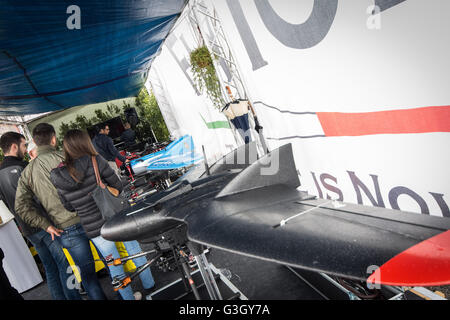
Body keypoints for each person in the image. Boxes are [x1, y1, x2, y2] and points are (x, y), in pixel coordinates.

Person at [50, 129, 155, 300]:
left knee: (113, 264)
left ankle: (128, 298)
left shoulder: (58, 175)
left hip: (93, 228)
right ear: (85, 142)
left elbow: (69, 206)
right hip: (116, 218)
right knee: (134, 251)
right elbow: (118, 186)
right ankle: (150, 287)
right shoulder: (95, 160)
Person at [14, 123, 107, 300]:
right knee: (113, 264)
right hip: (93, 217)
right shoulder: (69, 155)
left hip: (65, 229)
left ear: (34, 141)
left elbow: (21, 206)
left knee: (88, 276)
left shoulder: (27, 172)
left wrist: (45, 225)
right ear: (54, 138)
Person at [0, 131, 81, 300]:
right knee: (65, 264)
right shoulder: (24, 169)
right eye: (23, 145)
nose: (25, 149)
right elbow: (38, 198)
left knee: (51, 268)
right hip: (44, 226)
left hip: (27, 229)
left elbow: (6, 204)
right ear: (14, 146)